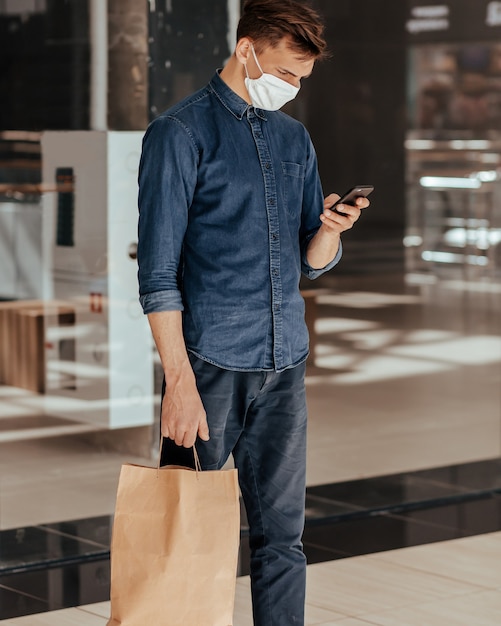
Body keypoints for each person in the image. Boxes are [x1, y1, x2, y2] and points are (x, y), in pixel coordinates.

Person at [137, 0, 369, 623]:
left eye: (302, 80)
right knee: (188, 537)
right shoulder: (179, 133)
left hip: (283, 365)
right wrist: (178, 385)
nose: (292, 89)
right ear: (246, 50)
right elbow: (157, 275)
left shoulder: (295, 137)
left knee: (283, 541)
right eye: (287, 73)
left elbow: (311, 260)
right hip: (210, 367)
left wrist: (331, 229)